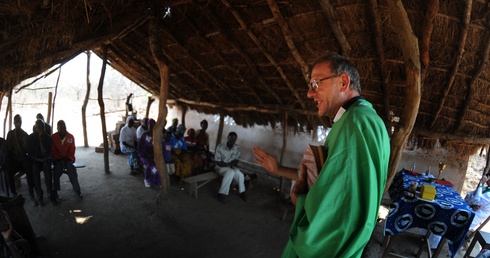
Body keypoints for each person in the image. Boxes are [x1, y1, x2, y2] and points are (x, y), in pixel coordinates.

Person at [253, 52, 390, 257]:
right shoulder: (361, 119)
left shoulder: (355, 124)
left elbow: (338, 205)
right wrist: (279, 169)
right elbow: (328, 180)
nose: (309, 93)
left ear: (343, 82)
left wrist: (299, 200)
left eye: (316, 83)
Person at [51, 120, 83, 200]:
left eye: (63, 127)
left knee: (71, 169)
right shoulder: (54, 137)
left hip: (68, 159)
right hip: (58, 160)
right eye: (60, 127)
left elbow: (72, 150)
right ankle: (56, 192)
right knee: (56, 171)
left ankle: (77, 190)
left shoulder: (70, 137)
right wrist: (58, 159)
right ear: (57, 128)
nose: (62, 129)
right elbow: (53, 150)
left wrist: (68, 159)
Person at [214, 132, 247, 204]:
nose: (233, 140)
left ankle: (242, 192)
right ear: (228, 137)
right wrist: (230, 164)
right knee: (230, 172)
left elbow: (237, 159)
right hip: (220, 167)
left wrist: (233, 164)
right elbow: (218, 162)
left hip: (230, 167)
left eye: (234, 139)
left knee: (239, 174)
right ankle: (221, 194)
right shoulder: (220, 147)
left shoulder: (236, 147)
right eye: (231, 138)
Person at [5, 115, 32, 199]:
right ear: (13, 123)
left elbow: (27, 150)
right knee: (8, 169)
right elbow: (8, 149)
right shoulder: (10, 134)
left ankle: (31, 191)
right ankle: (13, 192)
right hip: (15, 160)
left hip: (23, 160)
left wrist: (17, 138)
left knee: (29, 168)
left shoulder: (25, 135)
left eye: (19, 121)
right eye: (16, 121)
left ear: (21, 122)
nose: (17, 123)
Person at [27, 120, 52, 206]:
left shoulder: (48, 138)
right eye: (37, 127)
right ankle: (39, 195)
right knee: (34, 170)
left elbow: (49, 153)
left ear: (44, 128)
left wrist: (41, 140)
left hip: (45, 160)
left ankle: (49, 192)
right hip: (37, 161)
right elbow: (30, 154)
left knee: (47, 169)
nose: (39, 129)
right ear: (35, 128)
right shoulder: (31, 138)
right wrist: (39, 160)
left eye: (41, 127)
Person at [137, 119, 161, 188]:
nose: (151, 127)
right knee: (150, 166)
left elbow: (158, 148)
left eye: (153, 126)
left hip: (153, 155)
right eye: (150, 126)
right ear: (148, 126)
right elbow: (140, 147)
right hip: (144, 156)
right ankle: (146, 179)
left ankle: (155, 180)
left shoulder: (156, 136)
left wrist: (153, 155)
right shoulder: (144, 135)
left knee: (157, 167)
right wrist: (146, 154)